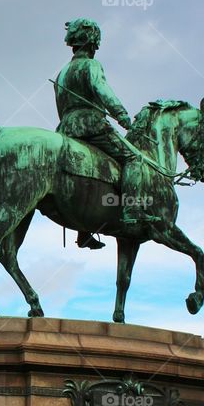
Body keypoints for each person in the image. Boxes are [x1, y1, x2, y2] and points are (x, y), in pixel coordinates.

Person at [53, 18, 160, 250]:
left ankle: (84, 232)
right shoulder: (92, 66)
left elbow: (60, 106)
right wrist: (121, 115)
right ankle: (132, 209)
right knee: (134, 158)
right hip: (90, 125)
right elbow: (102, 90)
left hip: (65, 128)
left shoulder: (61, 73)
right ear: (92, 42)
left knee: (88, 170)